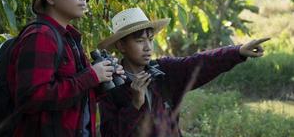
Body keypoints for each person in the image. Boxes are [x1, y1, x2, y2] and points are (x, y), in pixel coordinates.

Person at [97, 7, 269, 137]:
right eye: (139, 41)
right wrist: (134, 104)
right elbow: (110, 133)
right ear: (121, 46)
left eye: (150, 40)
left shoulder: (164, 72)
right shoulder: (111, 85)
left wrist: (237, 52)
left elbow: (199, 62)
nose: (148, 47)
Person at [6, 0, 124, 137]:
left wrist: (102, 79)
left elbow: (75, 97)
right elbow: (32, 97)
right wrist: (90, 76)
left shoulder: (69, 39)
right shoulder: (41, 36)